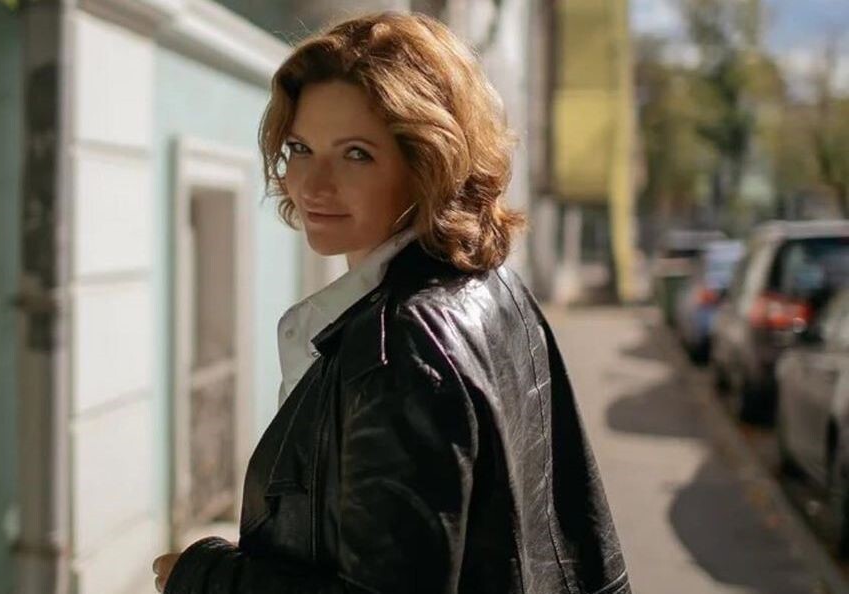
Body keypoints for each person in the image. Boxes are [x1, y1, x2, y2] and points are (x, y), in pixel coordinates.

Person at [153, 10, 630, 594]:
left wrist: (204, 577)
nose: (313, 184)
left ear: (427, 161)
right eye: (301, 148)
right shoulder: (494, 285)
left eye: (356, 154)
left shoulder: (406, 340)